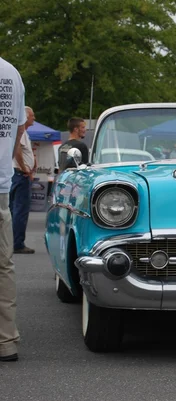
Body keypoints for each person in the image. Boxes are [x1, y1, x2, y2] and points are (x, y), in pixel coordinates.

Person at [0, 56, 27, 362]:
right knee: (3, 264)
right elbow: (19, 129)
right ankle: (6, 341)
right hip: (1, 184)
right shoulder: (11, 73)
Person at [10, 106, 36, 254]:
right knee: (20, 210)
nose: (34, 119)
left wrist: (32, 161)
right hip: (21, 175)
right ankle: (17, 243)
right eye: (32, 116)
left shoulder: (22, 132)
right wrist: (24, 168)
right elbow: (18, 150)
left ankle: (13, 241)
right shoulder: (20, 132)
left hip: (17, 174)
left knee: (14, 209)